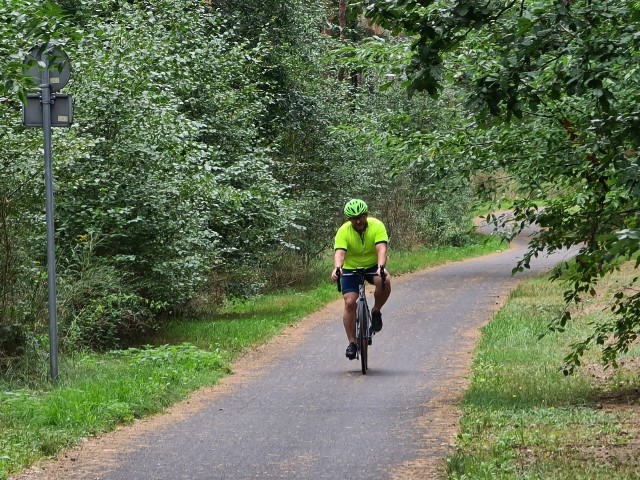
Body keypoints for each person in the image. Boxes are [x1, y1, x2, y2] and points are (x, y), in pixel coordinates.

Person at [331, 199, 391, 360]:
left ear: (366, 215)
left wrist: (381, 267)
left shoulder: (377, 226)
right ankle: (352, 343)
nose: (358, 221)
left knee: (383, 279)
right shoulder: (343, 231)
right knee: (350, 302)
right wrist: (337, 268)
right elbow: (340, 252)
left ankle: (376, 311)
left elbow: (381, 249)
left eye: (361, 217)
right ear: (348, 220)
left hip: (372, 266)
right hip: (351, 268)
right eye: (353, 218)